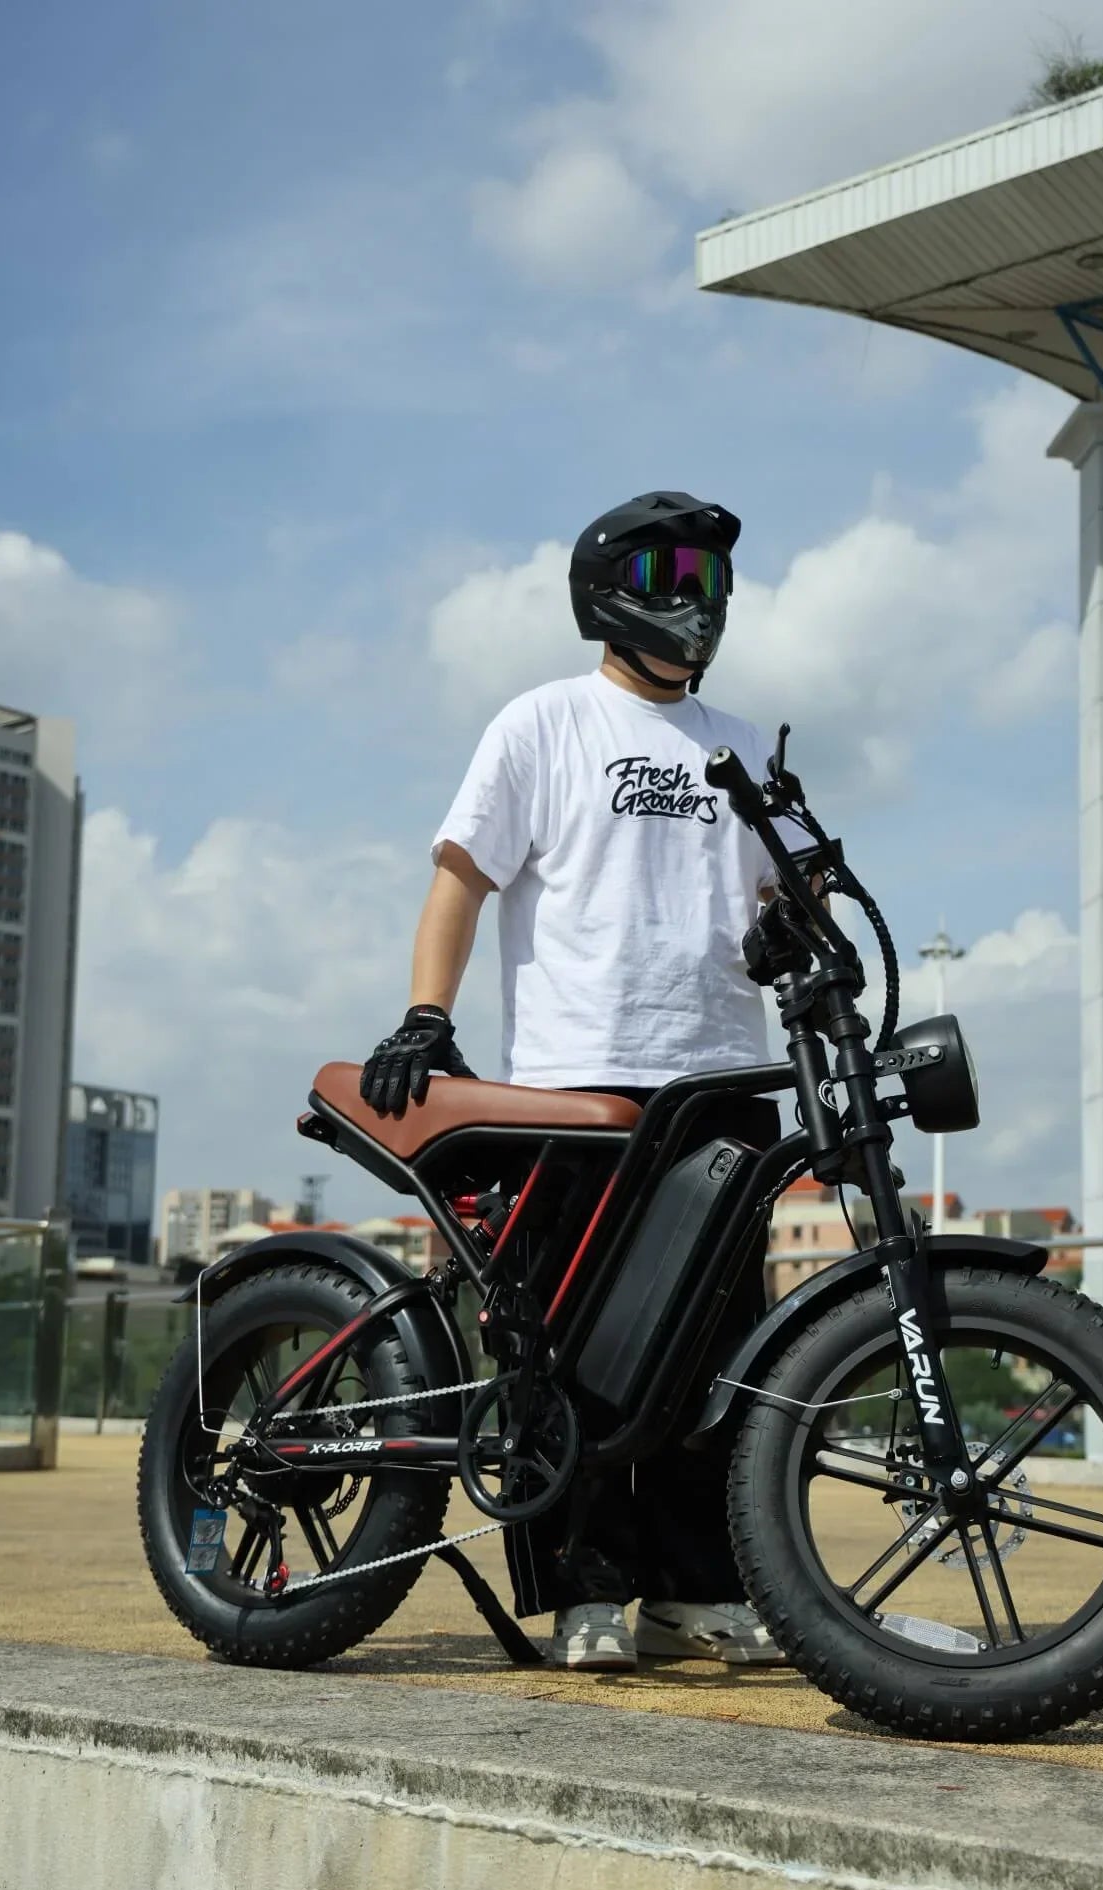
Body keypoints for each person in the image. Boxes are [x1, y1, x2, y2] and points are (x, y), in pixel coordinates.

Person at [359, 489, 788, 1670]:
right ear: (608, 584)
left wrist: (790, 941)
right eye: (670, 571)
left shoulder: (740, 742)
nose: (693, 596)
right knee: (568, 1348)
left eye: (706, 576)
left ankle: (697, 1587)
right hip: (574, 1089)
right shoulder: (541, 724)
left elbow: (779, 896)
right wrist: (426, 1012)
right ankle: (587, 1586)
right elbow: (461, 881)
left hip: (721, 1081)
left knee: (720, 1354)